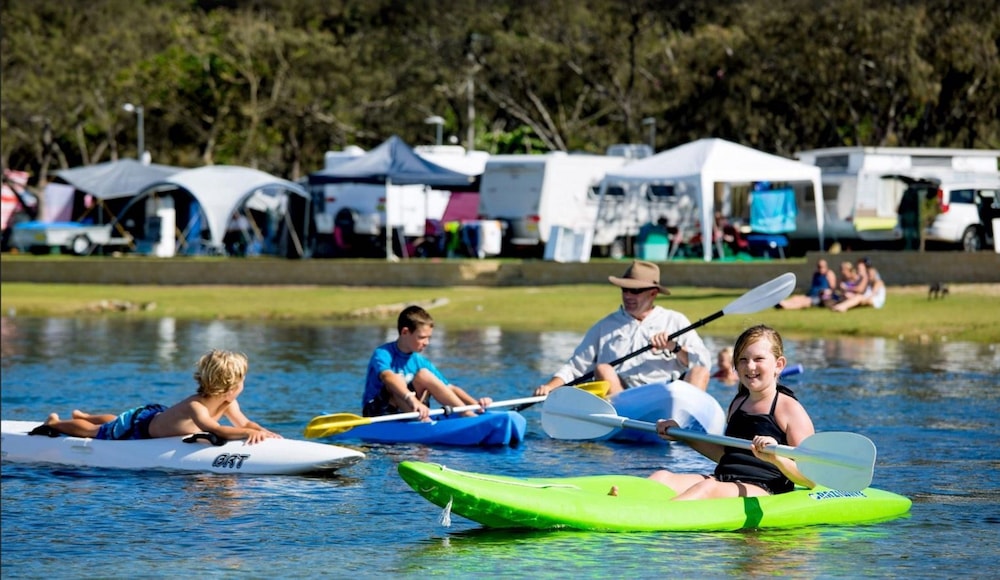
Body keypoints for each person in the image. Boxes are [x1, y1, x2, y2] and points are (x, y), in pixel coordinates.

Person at [645, 325, 816, 501]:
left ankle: (656, 513)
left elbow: (812, 478)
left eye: (758, 359)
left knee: (708, 488)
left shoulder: (789, 409)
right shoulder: (738, 403)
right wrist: (682, 434)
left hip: (765, 489)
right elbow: (726, 455)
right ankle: (631, 506)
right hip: (725, 480)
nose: (750, 366)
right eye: (743, 359)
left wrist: (777, 458)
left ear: (778, 365)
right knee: (662, 478)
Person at [534, 260, 711, 396]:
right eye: (624, 289)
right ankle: (624, 419)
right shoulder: (604, 326)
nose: (628, 295)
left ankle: (685, 424)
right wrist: (549, 387)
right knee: (603, 369)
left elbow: (703, 363)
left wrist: (674, 347)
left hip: (667, 395)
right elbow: (576, 367)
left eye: (635, 291)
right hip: (623, 399)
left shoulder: (676, 320)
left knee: (700, 371)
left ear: (653, 293)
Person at [33, 349, 282, 444]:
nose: (244, 384)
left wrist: (264, 432)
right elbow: (215, 429)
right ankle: (57, 423)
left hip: (156, 416)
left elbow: (245, 423)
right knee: (98, 432)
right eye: (242, 380)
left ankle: (85, 414)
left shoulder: (229, 402)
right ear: (229, 388)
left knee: (116, 420)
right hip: (142, 427)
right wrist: (247, 434)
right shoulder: (197, 406)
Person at [362, 305, 491, 420]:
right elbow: (387, 377)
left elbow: (449, 388)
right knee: (395, 381)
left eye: (429, 338)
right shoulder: (383, 353)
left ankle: (468, 415)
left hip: (410, 410)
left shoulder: (420, 360)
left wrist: (475, 404)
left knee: (424, 374)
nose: (427, 343)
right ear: (405, 332)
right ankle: (426, 423)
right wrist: (412, 399)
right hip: (379, 412)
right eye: (422, 337)